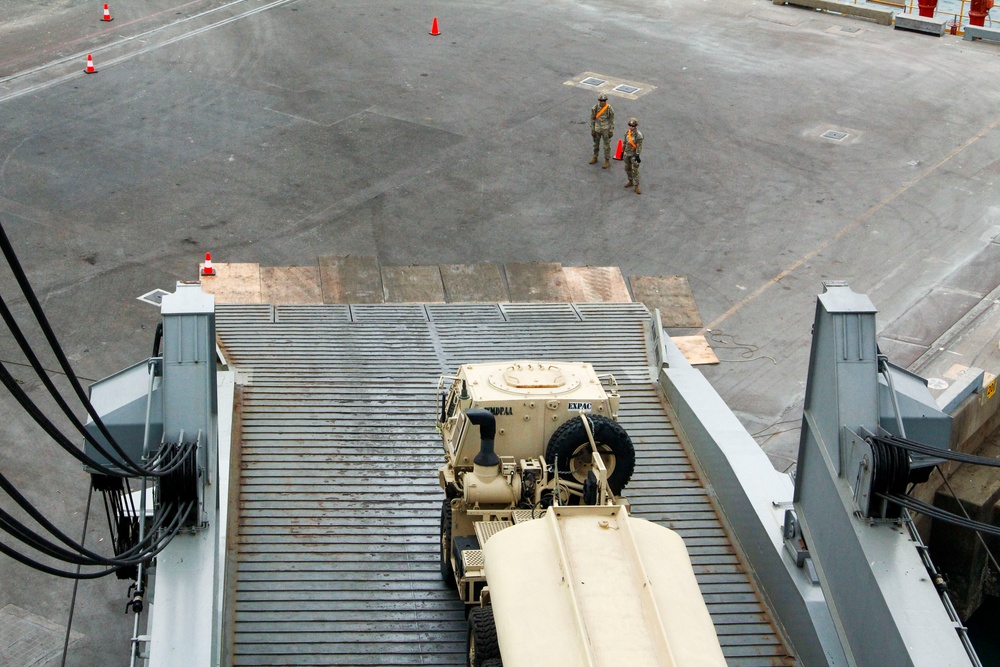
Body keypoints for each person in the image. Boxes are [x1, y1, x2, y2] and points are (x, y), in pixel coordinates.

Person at [589, 93, 615, 168]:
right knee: (596, 144)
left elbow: (612, 119)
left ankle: (607, 160)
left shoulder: (609, 108)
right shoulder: (595, 108)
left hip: (605, 128)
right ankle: (595, 156)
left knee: (606, 145)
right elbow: (592, 119)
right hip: (597, 128)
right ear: (599, 101)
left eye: (604, 100)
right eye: (601, 100)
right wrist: (592, 129)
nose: (602, 102)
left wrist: (611, 130)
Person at [623, 117, 643, 195]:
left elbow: (639, 146)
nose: (631, 127)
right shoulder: (627, 133)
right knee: (627, 168)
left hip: (634, 155)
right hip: (627, 153)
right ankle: (630, 181)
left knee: (635, 170)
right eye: (630, 125)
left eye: (633, 125)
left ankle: (636, 185)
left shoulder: (638, 135)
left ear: (636, 126)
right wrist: (622, 151)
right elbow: (625, 142)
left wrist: (637, 155)